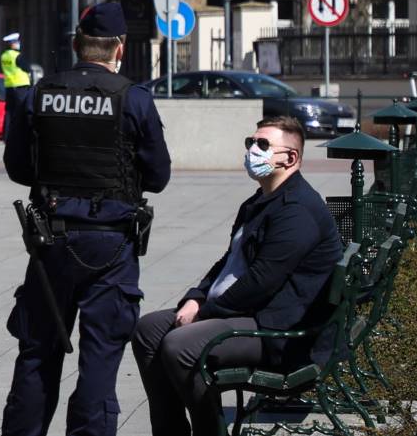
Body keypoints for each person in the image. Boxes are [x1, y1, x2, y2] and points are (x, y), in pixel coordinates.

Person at [0, 2, 171, 436]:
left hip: (52, 242)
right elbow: (158, 176)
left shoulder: (41, 94)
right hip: (111, 245)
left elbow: (18, 168)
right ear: (120, 48)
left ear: (76, 45)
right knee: (100, 358)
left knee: (38, 352)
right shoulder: (133, 98)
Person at [130, 116, 342, 436]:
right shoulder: (259, 201)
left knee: (180, 345)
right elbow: (229, 262)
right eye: (250, 142)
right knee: (148, 330)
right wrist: (196, 297)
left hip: (280, 333)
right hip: (251, 313)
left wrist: (204, 313)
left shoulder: (297, 210)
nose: (252, 150)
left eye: (263, 144)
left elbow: (261, 282)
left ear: (290, 158)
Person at [0, 32, 31, 131]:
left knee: (9, 112)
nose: (18, 44)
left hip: (9, 86)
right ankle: (21, 132)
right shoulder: (17, 55)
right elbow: (28, 68)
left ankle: (7, 134)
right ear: (12, 44)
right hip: (21, 86)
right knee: (22, 110)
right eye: (17, 42)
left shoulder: (3, 56)